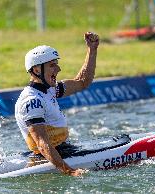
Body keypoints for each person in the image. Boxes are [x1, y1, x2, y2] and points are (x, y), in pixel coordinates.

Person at [15, 32, 99, 176]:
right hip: (48, 156)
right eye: (52, 65)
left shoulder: (50, 90)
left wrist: (92, 49)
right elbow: (42, 144)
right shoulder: (32, 101)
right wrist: (70, 171)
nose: (58, 69)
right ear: (36, 70)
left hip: (63, 149)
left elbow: (82, 82)